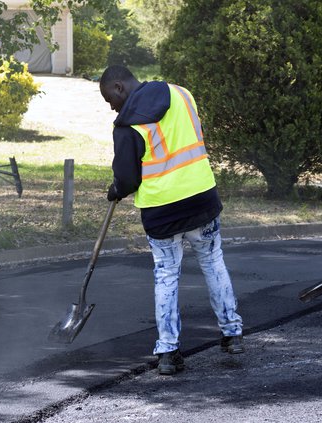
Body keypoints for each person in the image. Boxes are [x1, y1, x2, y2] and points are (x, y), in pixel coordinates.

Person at [99, 65, 244, 375]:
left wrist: (116, 189)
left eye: (108, 98)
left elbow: (126, 179)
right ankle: (232, 334)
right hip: (201, 197)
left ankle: (168, 353)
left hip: (161, 210)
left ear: (119, 87)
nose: (110, 106)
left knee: (166, 275)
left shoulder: (126, 127)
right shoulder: (181, 94)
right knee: (213, 263)